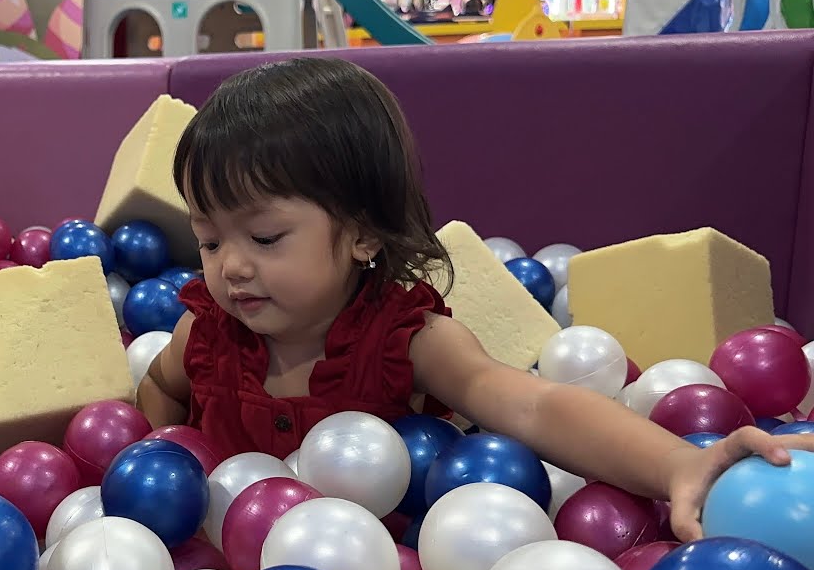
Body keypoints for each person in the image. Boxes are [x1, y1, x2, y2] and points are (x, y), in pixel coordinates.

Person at [135, 56, 809, 542]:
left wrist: (680, 463)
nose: (233, 268)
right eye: (209, 240)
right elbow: (162, 392)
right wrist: (164, 465)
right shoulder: (208, 337)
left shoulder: (408, 341)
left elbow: (534, 403)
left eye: (264, 235)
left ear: (364, 232)